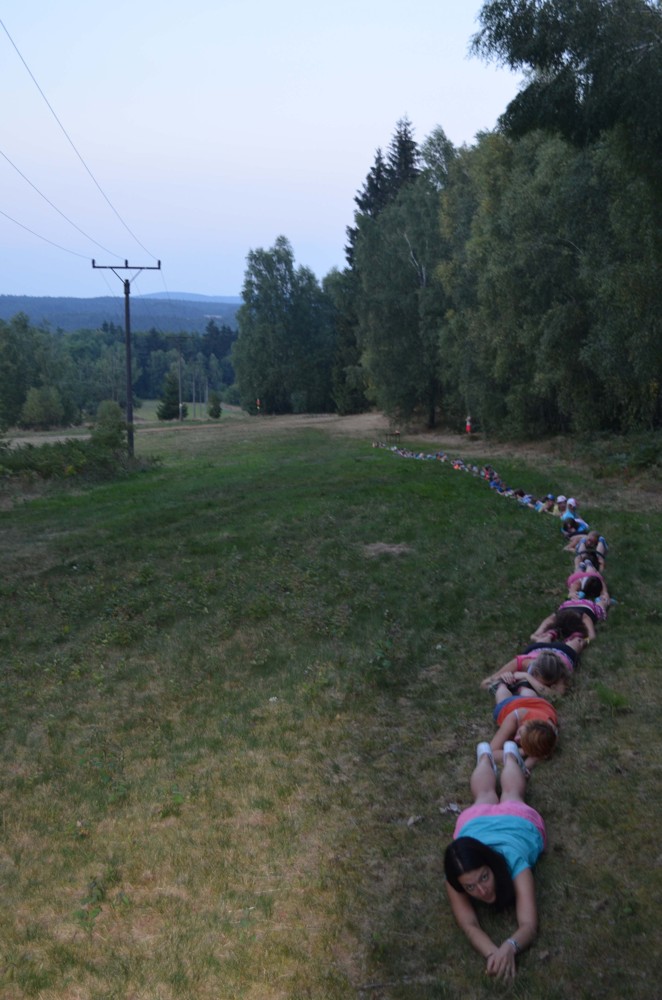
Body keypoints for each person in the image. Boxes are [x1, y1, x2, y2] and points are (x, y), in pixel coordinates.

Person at [444, 742, 545, 980]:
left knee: (511, 794)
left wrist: (510, 946)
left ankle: (509, 756)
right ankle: (486, 756)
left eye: (484, 877)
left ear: (491, 864)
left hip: (517, 821)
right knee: (485, 795)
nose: (482, 891)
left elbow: (529, 925)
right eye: (470, 887)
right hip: (475, 824)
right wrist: (494, 953)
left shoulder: (514, 862)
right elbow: (469, 925)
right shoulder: (455, 875)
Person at [488, 678, 559, 771]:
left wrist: (526, 766)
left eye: (521, 740)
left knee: (528, 694)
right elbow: (490, 754)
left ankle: (523, 686)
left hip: (539, 703)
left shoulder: (549, 735)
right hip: (510, 704)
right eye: (520, 733)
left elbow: (542, 753)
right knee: (502, 699)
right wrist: (523, 751)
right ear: (524, 723)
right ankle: (501, 685)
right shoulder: (514, 717)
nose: (516, 738)